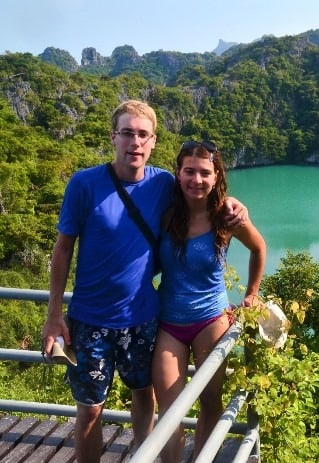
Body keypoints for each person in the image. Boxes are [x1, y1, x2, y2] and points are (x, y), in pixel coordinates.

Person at [41, 99, 249, 463]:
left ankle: (145, 456)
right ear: (113, 138)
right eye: (127, 133)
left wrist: (232, 203)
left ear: (153, 142)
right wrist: (54, 313)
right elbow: (62, 250)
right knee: (90, 411)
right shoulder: (84, 184)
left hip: (143, 318)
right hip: (90, 320)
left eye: (142, 135)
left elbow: (199, 191)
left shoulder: (164, 183)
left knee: (143, 395)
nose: (134, 142)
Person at [152, 140, 266, 462]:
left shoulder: (225, 217)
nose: (196, 180)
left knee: (210, 402)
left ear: (216, 176)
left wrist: (252, 295)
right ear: (178, 173)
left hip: (211, 320)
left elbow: (259, 248)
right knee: (170, 410)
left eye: (205, 173)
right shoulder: (166, 216)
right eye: (190, 171)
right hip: (169, 323)